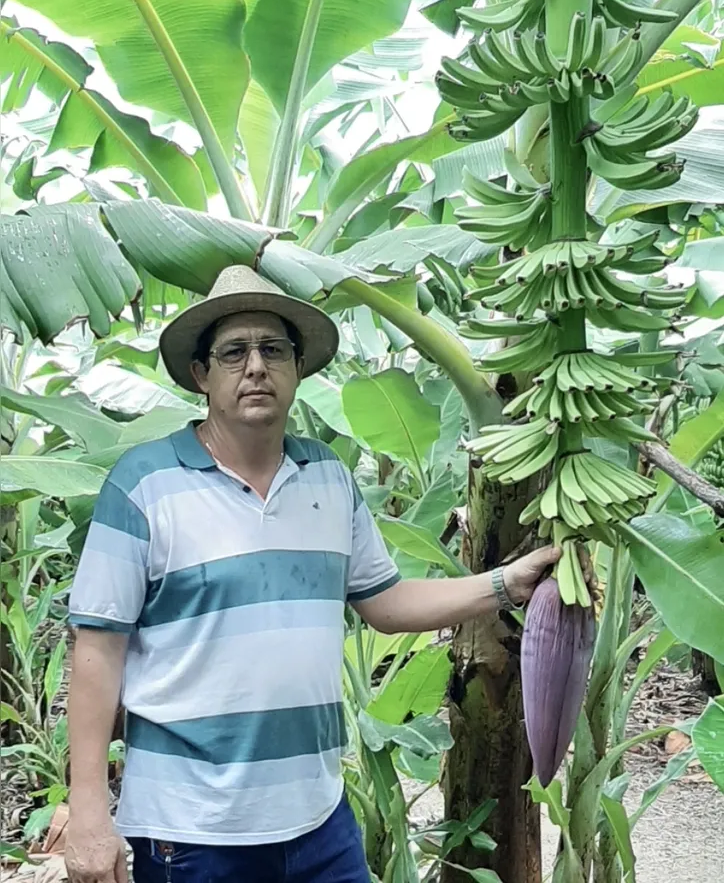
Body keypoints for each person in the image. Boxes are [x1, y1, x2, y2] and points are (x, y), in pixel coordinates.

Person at [65, 266, 561, 883]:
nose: (255, 367)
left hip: (319, 820)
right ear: (202, 374)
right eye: (234, 352)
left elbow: (385, 600)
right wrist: (86, 806)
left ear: (297, 369)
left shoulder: (327, 476)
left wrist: (505, 584)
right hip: (189, 829)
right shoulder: (142, 485)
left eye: (274, 350)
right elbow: (98, 648)